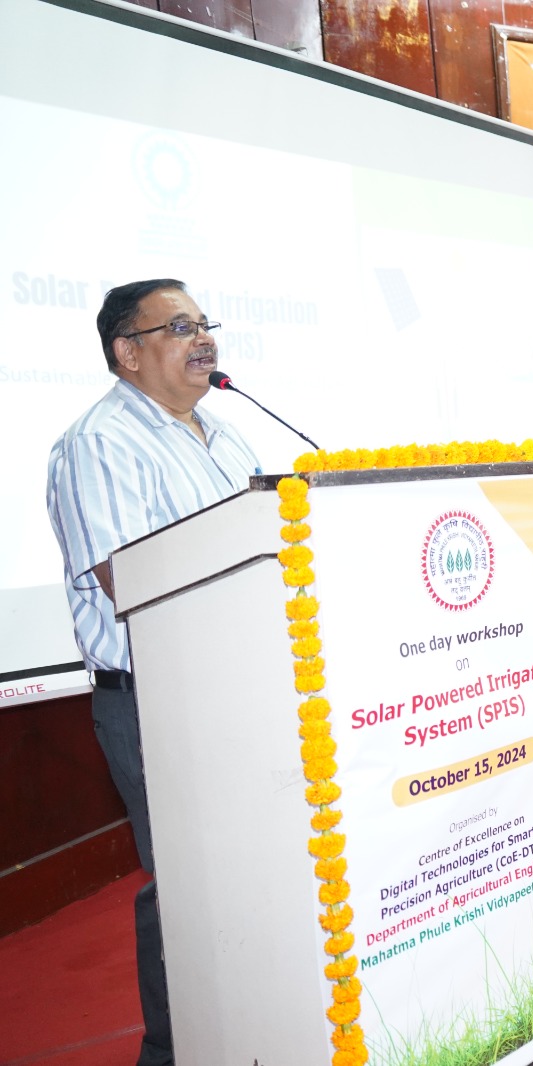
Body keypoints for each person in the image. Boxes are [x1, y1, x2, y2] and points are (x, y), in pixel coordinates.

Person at [45, 279, 260, 1066]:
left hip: (249, 684)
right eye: (178, 327)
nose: (203, 338)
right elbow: (124, 579)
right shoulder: (98, 443)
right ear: (126, 353)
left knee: (253, 868)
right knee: (187, 889)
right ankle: (174, 1055)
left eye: (205, 323)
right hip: (157, 700)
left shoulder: (227, 436)